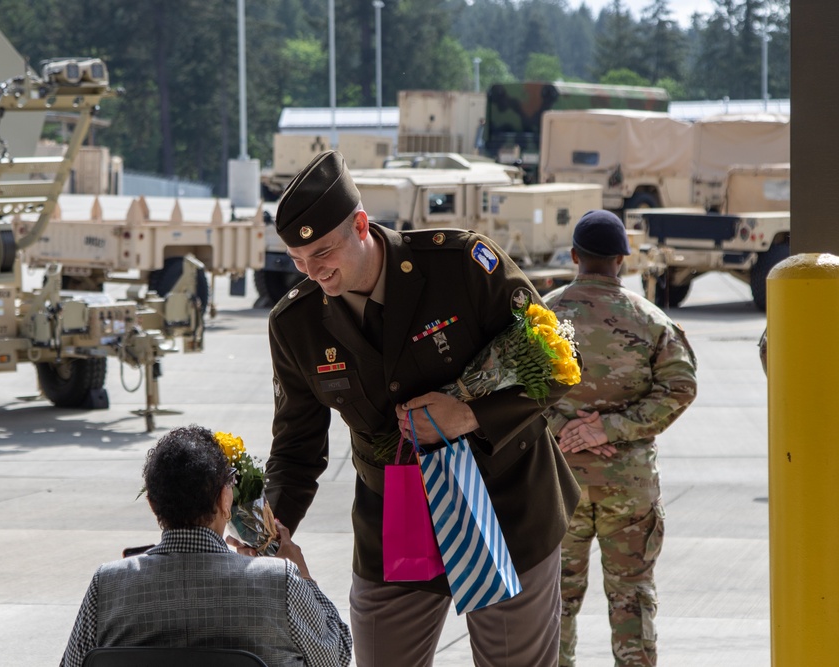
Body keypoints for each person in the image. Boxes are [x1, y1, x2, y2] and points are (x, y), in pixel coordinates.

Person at [264, 150, 580, 667]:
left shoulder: (461, 265)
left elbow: (561, 364)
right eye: (298, 261)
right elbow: (296, 448)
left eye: (323, 252)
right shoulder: (295, 324)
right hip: (397, 523)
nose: (313, 272)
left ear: (361, 225)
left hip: (505, 510)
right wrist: (276, 524)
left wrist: (472, 416)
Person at [542, 210, 698, 667]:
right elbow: (681, 387)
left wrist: (565, 431)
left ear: (574, 256)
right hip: (628, 487)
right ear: (622, 262)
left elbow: (508, 390)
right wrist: (608, 428)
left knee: (555, 599)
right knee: (632, 596)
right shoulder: (650, 320)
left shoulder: (542, 317)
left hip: (557, 485)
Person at [60, 425, 352, 667]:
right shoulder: (281, 581)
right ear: (225, 499)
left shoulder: (107, 585)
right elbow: (336, 656)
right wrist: (303, 575)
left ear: (152, 503)